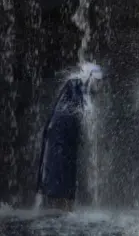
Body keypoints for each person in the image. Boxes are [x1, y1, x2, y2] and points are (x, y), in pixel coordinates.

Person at [37, 63, 103, 211]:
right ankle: (60, 210)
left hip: (64, 138)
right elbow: (87, 112)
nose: (100, 86)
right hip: (59, 139)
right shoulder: (76, 84)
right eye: (98, 81)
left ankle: (62, 209)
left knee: (63, 176)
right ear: (90, 78)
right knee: (60, 176)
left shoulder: (76, 86)